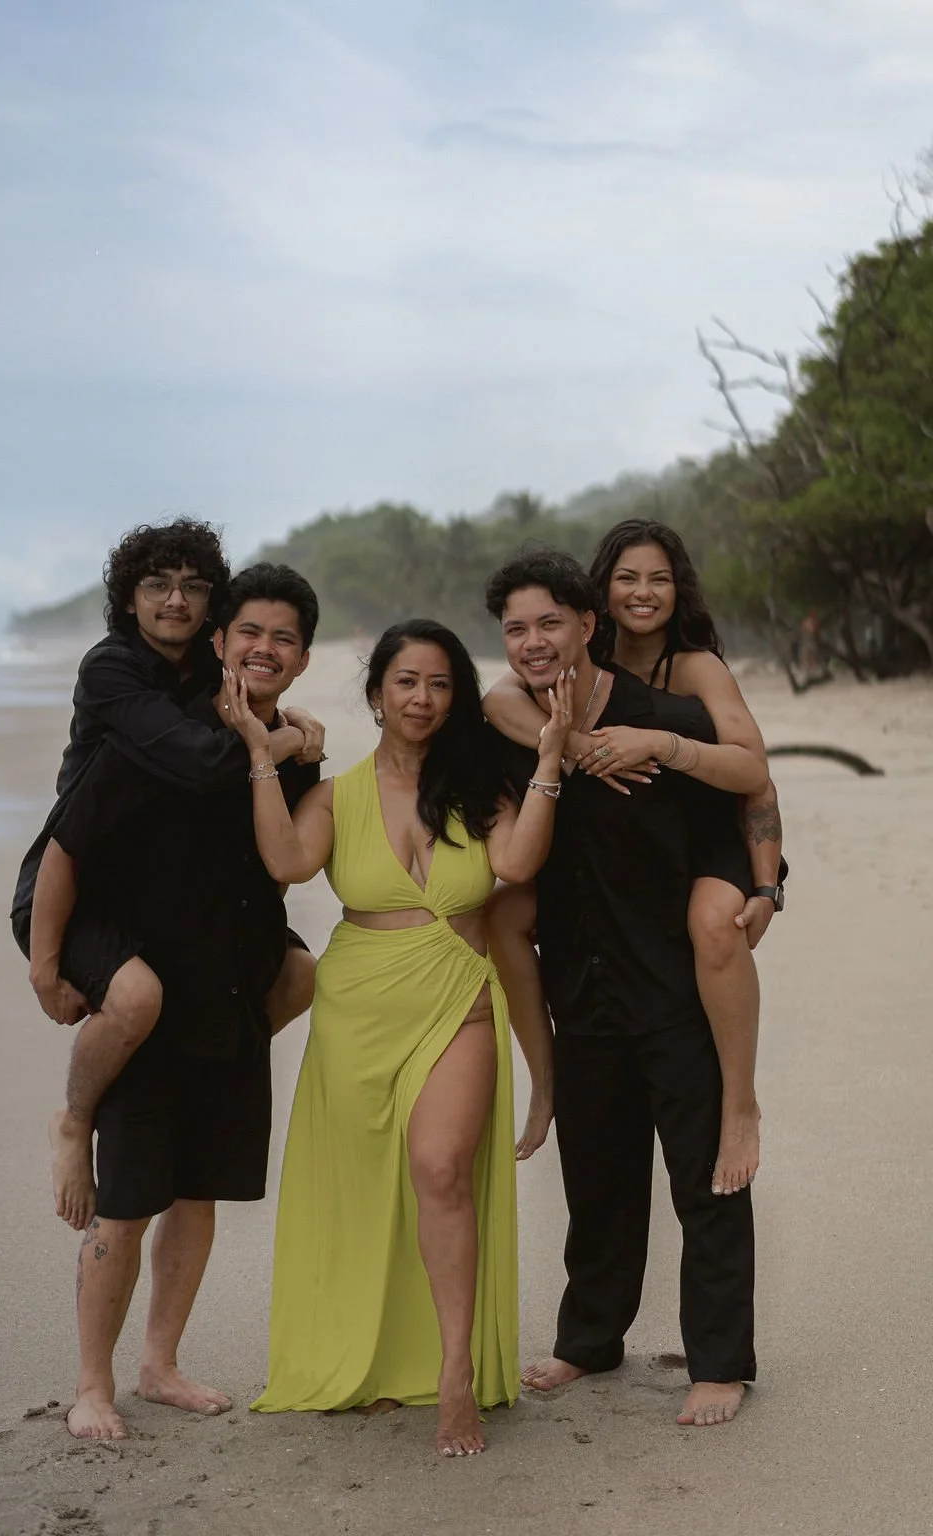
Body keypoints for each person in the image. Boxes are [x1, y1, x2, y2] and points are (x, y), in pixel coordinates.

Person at [227, 619, 571, 1457]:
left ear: (456, 699)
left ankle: (455, 1376)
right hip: (360, 1007)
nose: (423, 698)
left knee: (441, 1168)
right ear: (377, 693)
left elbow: (519, 864)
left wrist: (552, 757)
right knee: (369, 1188)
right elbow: (285, 862)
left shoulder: (481, 787)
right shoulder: (337, 794)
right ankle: (373, 1348)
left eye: (441, 684)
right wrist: (259, 754)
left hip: (457, 993)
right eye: (407, 682)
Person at [28, 563, 322, 1440]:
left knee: (197, 1196)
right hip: (152, 982)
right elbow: (64, 849)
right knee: (127, 1202)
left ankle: (160, 1367)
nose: (265, 649)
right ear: (221, 643)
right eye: (250, 634)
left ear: (302, 659)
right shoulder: (156, 737)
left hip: (229, 990)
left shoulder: (292, 749)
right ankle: (93, 1386)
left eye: (284, 639)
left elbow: (292, 857)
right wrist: (47, 966)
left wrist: (288, 744)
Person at [484, 547, 758, 1427]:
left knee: (706, 1181)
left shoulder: (664, 715)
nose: (533, 643)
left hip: (671, 988)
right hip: (581, 985)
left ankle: (719, 1363)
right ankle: (589, 1340)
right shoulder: (507, 725)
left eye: (550, 624)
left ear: (590, 625)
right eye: (517, 628)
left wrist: (761, 887)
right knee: (597, 1179)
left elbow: (745, 789)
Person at [11, 522, 323, 1232]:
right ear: (128, 599)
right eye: (156, 585)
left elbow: (257, 844)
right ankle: (76, 1119)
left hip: (169, 887)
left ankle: (193, 1068)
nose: (175, 600)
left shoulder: (213, 677)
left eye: (193, 586)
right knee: (137, 995)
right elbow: (202, 763)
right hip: (82, 885)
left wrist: (286, 739)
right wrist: (44, 967)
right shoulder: (112, 669)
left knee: (298, 970)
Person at [484, 521, 785, 1194]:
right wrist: (575, 747)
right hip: (629, 843)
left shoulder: (696, 667)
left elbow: (755, 776)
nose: (642, 593)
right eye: (627, 578)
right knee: (504, 915)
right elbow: (499, 698)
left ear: (679, 589)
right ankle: (545, 1080)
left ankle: (739, 1102)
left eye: (659, 578)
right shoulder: (565, 654)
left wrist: (766, 885)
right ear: (598, 600)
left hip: (706, 835)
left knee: (712, 926)